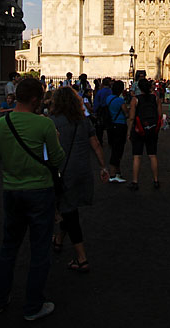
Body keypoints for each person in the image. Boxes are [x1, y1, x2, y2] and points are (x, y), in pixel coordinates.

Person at [0, 75, 65, 321]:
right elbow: (57, 160)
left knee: (8, 246)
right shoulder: (43, 125)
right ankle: (33, 306)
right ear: (35, 99)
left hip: (11, 190)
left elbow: (0, 153)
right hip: (40, 192)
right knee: (40, 249)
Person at [50, 86, 109, 271]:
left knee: (69, 212)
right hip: (82, 171)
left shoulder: (51, 122)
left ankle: (82, 258)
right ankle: (59, 240)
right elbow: (96, 144)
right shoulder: (83, 120)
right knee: (69, 208)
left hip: (62, 172)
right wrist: (102, 166)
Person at [127, 77, 163, 190]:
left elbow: (131, 117)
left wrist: (129, 131)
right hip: (152, 130)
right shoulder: (156, 98)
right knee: (152, 155)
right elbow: (160, 115)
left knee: (137, 157)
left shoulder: (135, 100)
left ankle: (135, 182)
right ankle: (156, 180)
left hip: (138, 130)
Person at [105, 80, 129, 183]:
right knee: (117, 150)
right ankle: (112, 174)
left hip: (111, 126)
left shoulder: (109, 98)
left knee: (115, 148)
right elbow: (126, 113)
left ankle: (117, 172)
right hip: (120, 126)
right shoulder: (120, 101)